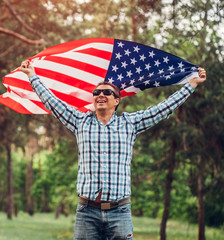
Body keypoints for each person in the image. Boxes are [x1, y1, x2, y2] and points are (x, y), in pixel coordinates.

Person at [20, 60, 206, 240]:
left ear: (116, 100)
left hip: (120, 212)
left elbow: (163, 108)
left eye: (107, 92)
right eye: (96, 92)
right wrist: (32, 76)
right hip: (87, 212)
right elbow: (52, 102)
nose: (100, 95)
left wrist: (192, 84)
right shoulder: (80, 122)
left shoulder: (130, 124)